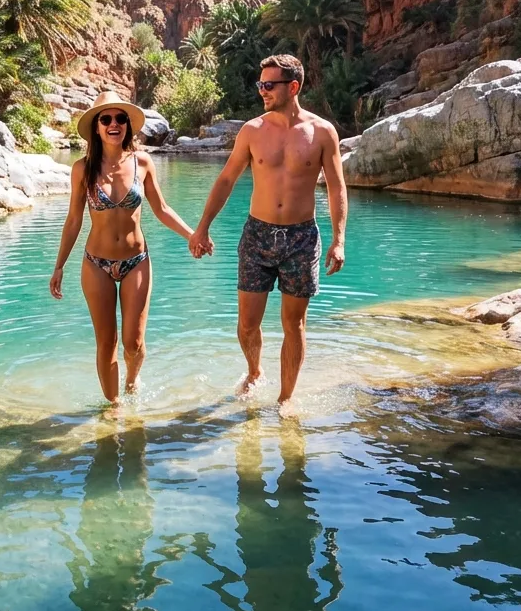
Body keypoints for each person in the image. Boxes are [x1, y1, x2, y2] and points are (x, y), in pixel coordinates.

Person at [188, 54, 347, 408]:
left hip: (302, 239)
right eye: (260, 84)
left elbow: (337, 186)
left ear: (293, 87)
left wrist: (338, 240)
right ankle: (255, 370)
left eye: (268, 85)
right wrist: (202, 228)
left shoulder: (322, 132)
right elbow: (227, 179)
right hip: (257, 235)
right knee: (247, 324)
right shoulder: (252, 131)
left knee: (294, 324)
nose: (262, 91)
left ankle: (286, 399)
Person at [51, 91, 195, 403]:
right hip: (95, 263)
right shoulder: (82, 169)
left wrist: (192, 235)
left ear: (128, 125)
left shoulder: (142, 162)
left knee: (134, 342)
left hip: (136, 261)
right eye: (106, 119)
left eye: (120, 118)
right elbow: (74, 219)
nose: (113, 124)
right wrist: (59, 265)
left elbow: (162, 209)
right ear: (97, 127)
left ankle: (131, 380)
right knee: (107, 342)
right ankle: (113, 406)